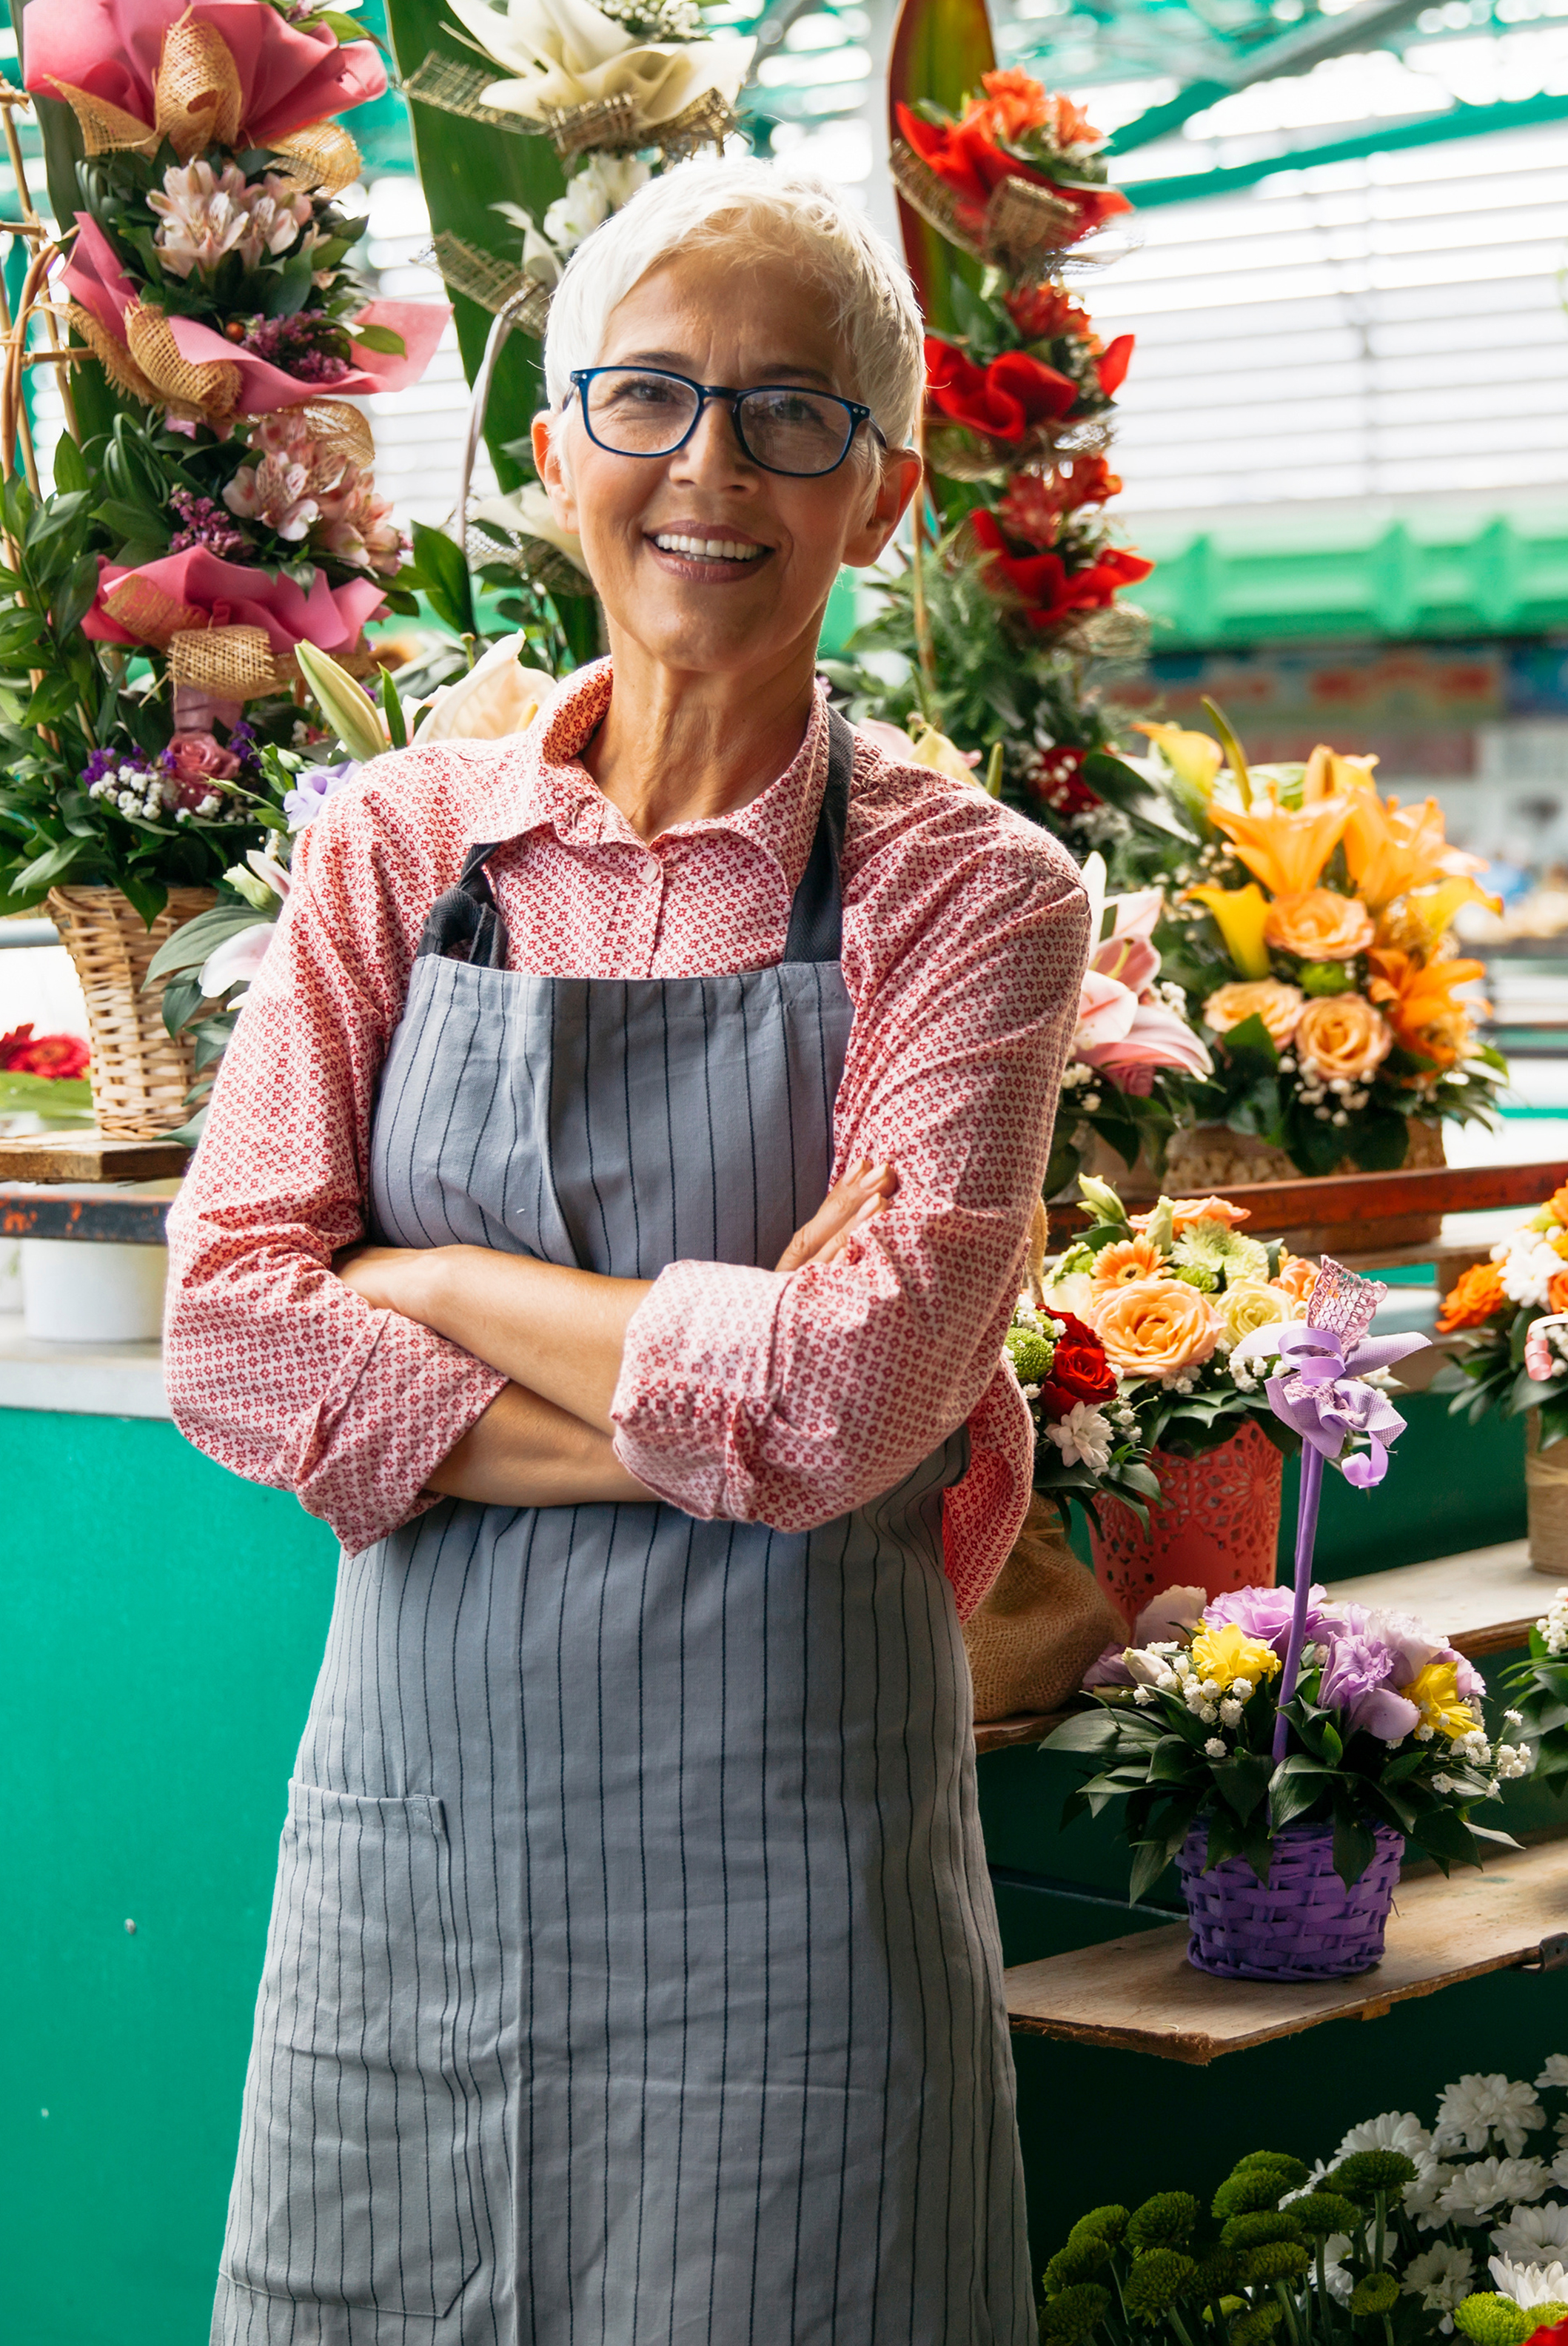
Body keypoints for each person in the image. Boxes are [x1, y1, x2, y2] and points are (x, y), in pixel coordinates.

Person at [162, 154, 1082, 2344]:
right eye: (651, 398)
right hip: (421, 1855)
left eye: (792, 415)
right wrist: (741, 1398)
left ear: (885, 488)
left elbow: (865, 1403)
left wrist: (430, 1287)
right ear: (557, 442)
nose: (711, 468)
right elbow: (222, 1338)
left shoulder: (980, 900)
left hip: (794, 1875)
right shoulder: (395, 844)